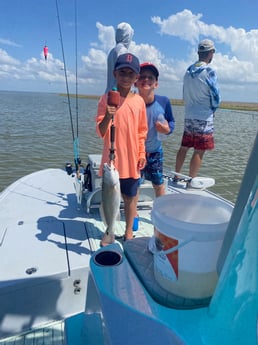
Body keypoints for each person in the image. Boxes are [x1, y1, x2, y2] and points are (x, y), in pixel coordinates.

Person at [96, 53, 148, 244]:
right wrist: (109, 116)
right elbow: (101, 131)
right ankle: (109, 230)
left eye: (130, 73)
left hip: (132, 159)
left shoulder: (139, 101)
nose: (126, 77)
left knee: (130, 198)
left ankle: (128, 231)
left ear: (136, 78)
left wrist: (142, 153)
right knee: (109, 200)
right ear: (114, 74)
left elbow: (142, 131)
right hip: (112, 162)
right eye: (122, 72)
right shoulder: (105, 99)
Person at [174, 39, 221, 179]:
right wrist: (214, 108)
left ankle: (176, 176)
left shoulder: (188, 71)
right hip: (204, 116)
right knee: (199, 150)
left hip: (189, 115)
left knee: (184, 147)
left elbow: (184, 94)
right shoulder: (209, 71)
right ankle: (191, 180)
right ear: (211, 53)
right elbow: (215, 95)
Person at [135, 62, 175, 197]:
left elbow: (171, 123)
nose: (146, 80)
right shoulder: (130, 102)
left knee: (158, 184)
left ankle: (160, 212)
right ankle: (133, 215)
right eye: (142, 77)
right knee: (134, 185)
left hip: (155, 153)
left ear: (156, 83)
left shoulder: (164, 101)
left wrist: (167, 129)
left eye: (150, 77)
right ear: (135, 82)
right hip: (135, 153)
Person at [105, 22, 134, 93]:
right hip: (117, 95)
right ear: (128, 35)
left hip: (109, 93)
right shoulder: (122, 51)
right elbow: (125, 75)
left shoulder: (112, 51)